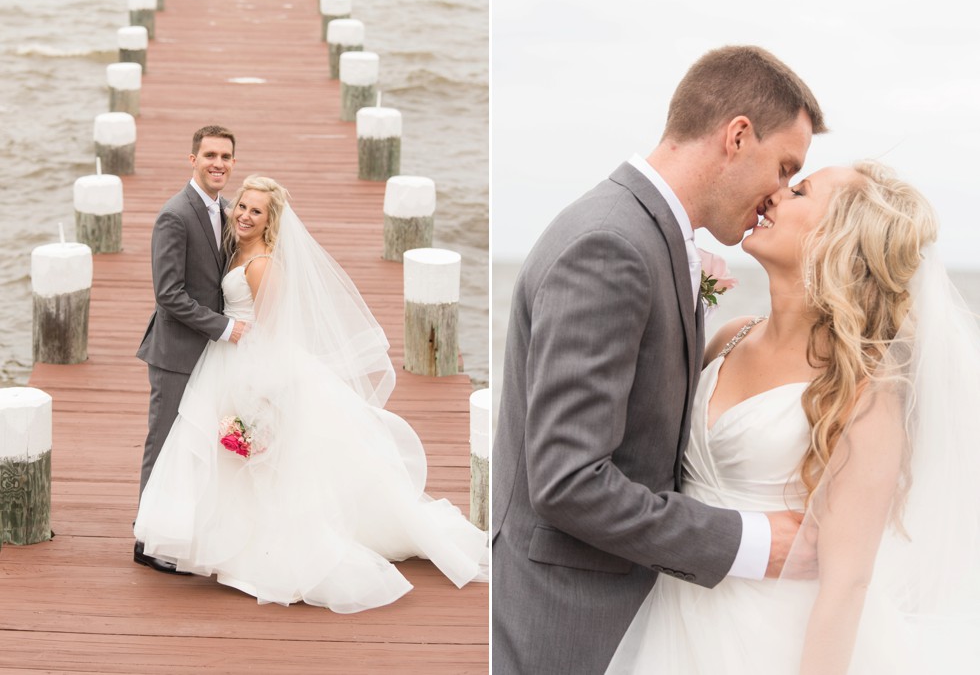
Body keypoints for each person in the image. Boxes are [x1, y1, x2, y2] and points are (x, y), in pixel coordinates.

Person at [492, 45, 828, 674]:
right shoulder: (611, 245)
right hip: (567, 627)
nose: (777, 195)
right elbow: (568, 480)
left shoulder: (646, 234)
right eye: (784, 167)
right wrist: (753, 542)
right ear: (736, 136)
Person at [606, 161, 980, 672]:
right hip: (671, 614)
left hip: (775, 642)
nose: (774, 195)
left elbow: (847, 583)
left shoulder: (865, 391)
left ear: (835, 241)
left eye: (799, 191)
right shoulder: (729, 335)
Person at [133, 176, 487, 611]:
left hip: (250, 364)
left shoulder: (263, 265)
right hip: (224, 358)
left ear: (270, 220)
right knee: (213, 453)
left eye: (256, 211)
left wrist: (258, 397)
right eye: (241, 206)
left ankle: (260, 549)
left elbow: (271, 332)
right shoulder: (234, 244)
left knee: (260, 462)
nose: (244, 215)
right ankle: (215, 541)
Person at [134, 125, 248, 574]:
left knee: (192, 445)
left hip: (211, 355)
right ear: (192, 159)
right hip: (177, 352)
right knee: (163, 444)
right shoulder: (174, 215)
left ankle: (182, 529)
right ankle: (145, 539)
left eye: (226, 156)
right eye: (210, 155)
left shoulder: (224, 209)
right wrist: (223, 327)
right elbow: (169, 294)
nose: (218, 163)